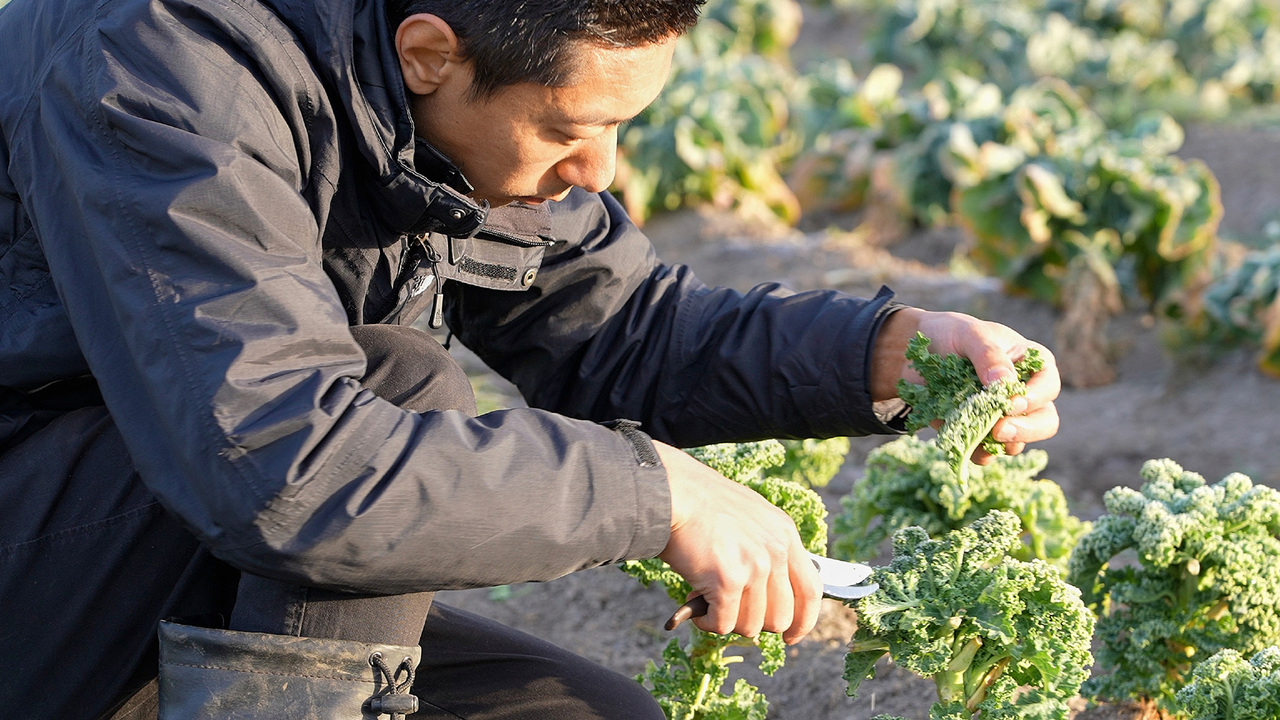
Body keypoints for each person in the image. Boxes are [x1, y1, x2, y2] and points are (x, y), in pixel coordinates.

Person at [0, 0, 1061, 717]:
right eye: (571, 128)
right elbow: (286, 468)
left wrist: (886, 352)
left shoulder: (418, 98)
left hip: (160, 545)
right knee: (392, 383)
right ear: (430, 53)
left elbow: (622, 331)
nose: (597, 169)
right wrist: (653, 494)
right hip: (58, 546)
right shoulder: (159, 62)